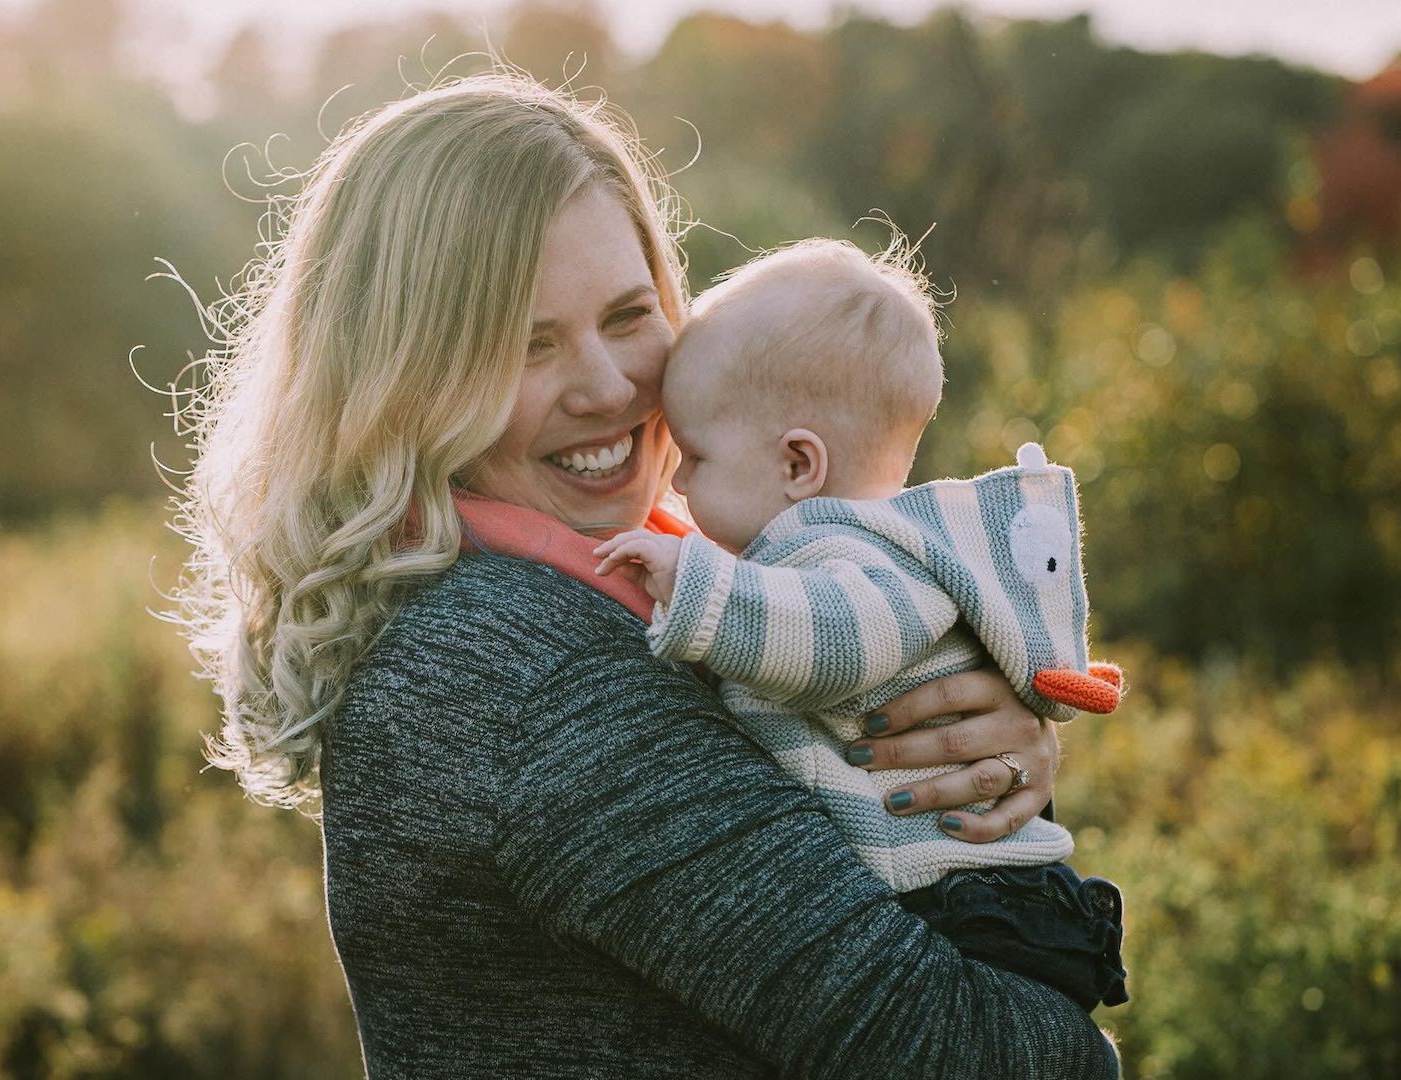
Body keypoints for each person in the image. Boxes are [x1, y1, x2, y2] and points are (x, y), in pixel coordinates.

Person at [172, 71, 1120, 1077]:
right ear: (408, 379)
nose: (608, 384)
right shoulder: (527, 671)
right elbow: (976, 1055)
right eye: (525, 345)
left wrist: (965, 759)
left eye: (628, 315)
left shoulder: (636, 586)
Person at [589, 238, 1129, 1012]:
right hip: (949, 901)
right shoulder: (816, 552)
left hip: (969, 909)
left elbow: (835, 643)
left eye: (697, 457)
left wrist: (692, 584)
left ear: (798, 465)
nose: (676, 481)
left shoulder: (849, 552)